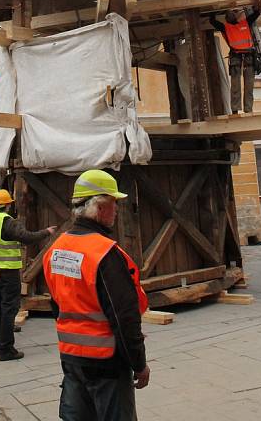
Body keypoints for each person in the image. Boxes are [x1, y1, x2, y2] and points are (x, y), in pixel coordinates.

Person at [43, 169, 149, 421]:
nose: (117, 210)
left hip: (71, 358)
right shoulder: (104, 253)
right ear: (100, 208)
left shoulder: (56, 249)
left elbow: (56, 304)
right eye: (114, 204)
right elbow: (124, 317)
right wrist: (139, 363)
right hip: (106, 362)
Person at [0, 188, 56, 361]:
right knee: (10, 308)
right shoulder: (8, 222)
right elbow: (27, 237)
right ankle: (6, 349)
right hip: (8, 270)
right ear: (8, 205)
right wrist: (47, 232)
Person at [211, 8, 260, 114]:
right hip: (240, 58)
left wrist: (213, 11)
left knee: (244, 86)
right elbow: (256, 13)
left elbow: (212, 21)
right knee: (239, 86)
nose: (231, 15)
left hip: (243, 58)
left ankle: (244, 110)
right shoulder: (232, 26)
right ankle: (240, 110)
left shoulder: (238, 24)